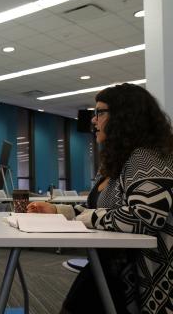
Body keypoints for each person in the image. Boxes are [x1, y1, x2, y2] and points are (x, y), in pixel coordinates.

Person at [27, 83, 173, 314]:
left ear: (126, 117)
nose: (93, 120)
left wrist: (85, 216)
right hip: (107, 265)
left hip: (141, 274)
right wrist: (56, 211)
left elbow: (145, 218)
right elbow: (91, 210)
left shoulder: (146, 158)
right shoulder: (113, 163)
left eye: (100, 113)